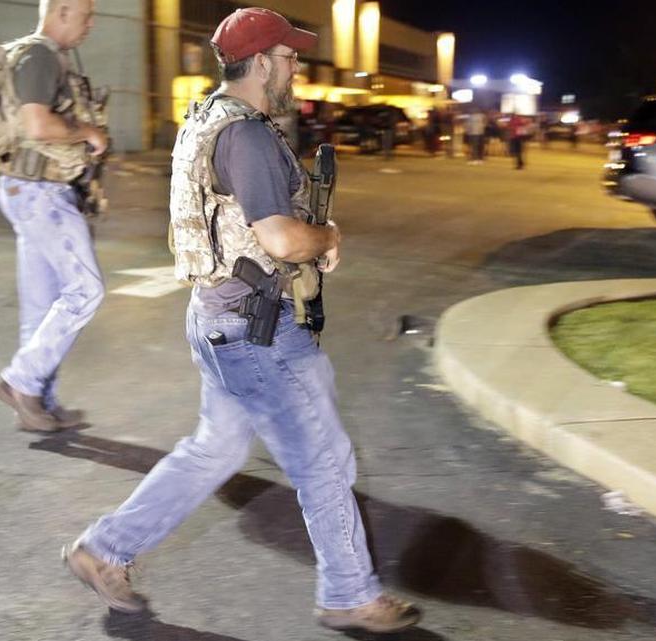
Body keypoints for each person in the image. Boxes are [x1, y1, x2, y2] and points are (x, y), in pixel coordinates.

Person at [60, 7, 422, 634]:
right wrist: (326, 233)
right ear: (259, 63)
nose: (296, 67)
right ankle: (349, 594)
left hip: (221, 319)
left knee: (215, 448)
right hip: (256, 331)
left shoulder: (207, 118)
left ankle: (104, 548)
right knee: (323, 463)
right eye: (288, 57)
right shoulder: (247, 135)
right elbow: (280, 239)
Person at [0, 0, 108, 432]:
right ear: (61, 9)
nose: (90, 25)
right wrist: (87, 133)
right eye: (86, 15)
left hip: (30, 189)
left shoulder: (36, 55)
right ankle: (20, 382)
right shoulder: (39, 55)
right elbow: (37, 125)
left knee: (41, 306)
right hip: (41, 192)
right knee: (85, 289)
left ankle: (37, 403)